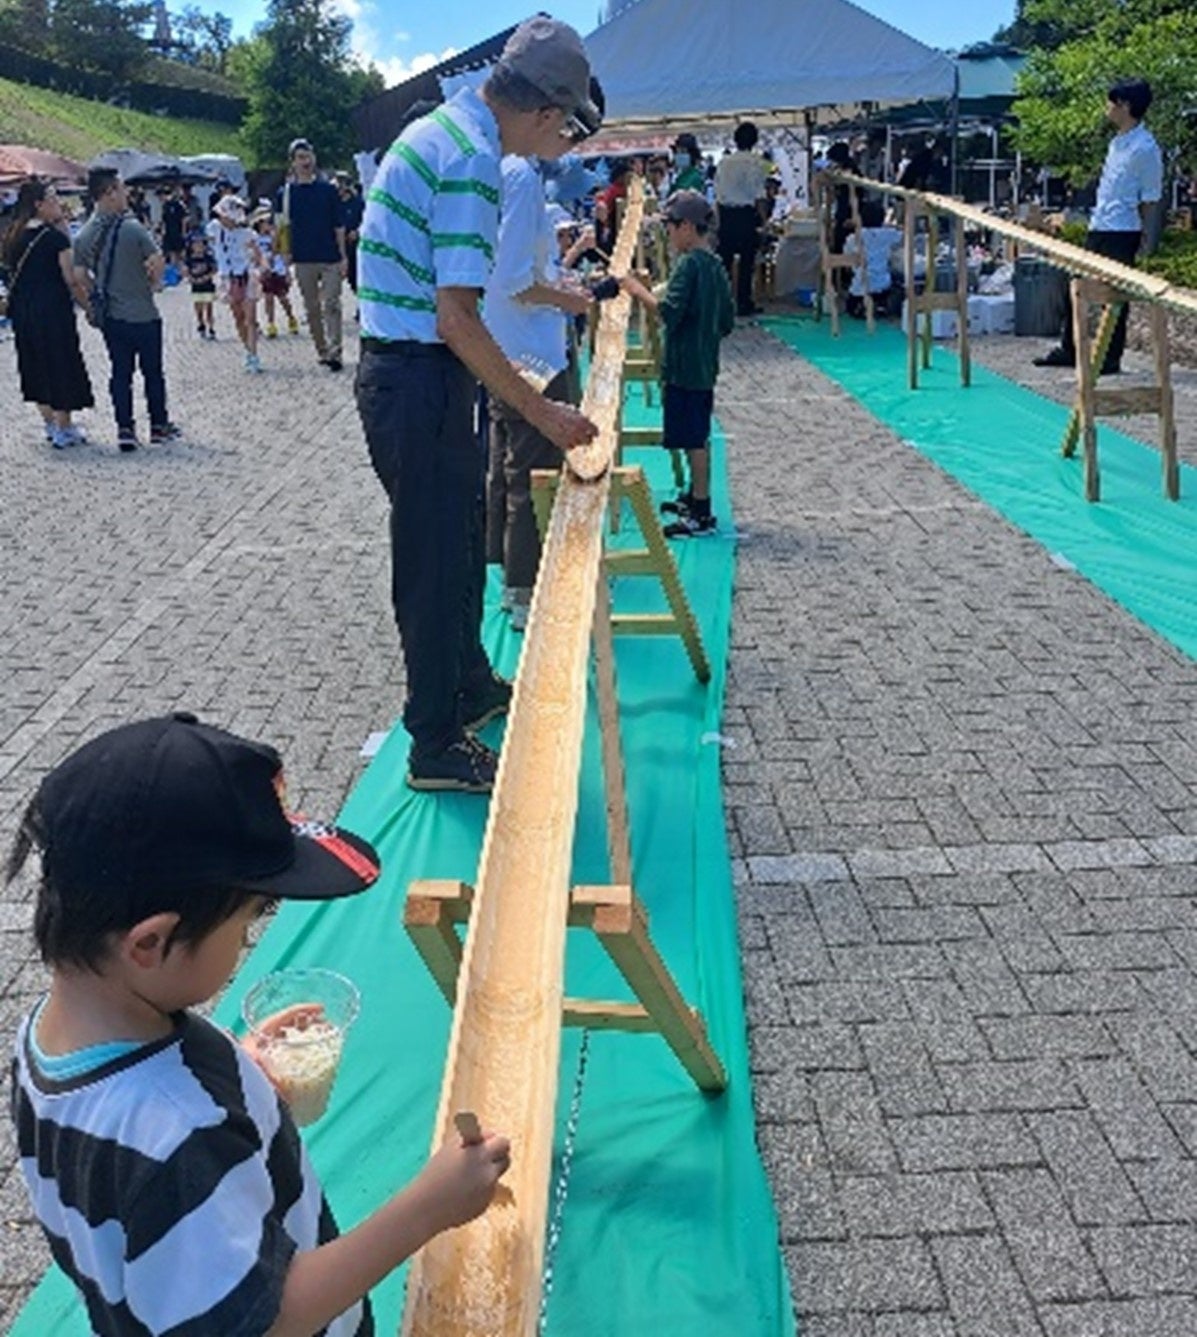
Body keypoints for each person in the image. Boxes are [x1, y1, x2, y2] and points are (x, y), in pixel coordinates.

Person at [8, 711, 511, 1337]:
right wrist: (427, 1208)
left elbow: (135, 1197)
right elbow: (268, 1320)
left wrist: (240, 1074)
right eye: (246, 924)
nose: (248, 939)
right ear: (150, 944)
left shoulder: (43, 1044)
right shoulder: (181, 1133)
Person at [355, 15, 600, 794]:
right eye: (562, 128)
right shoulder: (470, 161)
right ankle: (435, 740)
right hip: (414, 374)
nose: (555, 143)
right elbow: (459, 318)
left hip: (415, 373)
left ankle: (466, 679)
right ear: (542, 113)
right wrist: (546, 413)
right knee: (433, 562)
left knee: (459, 540)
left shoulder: (447, 131)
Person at [484, 151, 594, 630]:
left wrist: (559, 281)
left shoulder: (509, 173)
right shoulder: (522, 176)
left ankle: (509, 572)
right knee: (533, 472)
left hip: (511, 347)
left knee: (508, 463)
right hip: (530, 353)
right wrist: (568, 298)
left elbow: (519, 272)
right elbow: (514, 280)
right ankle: (524, 587)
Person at [621, 189, 734, 538]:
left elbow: (668, 312)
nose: (667, 233)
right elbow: (727, 321)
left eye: (670, 226)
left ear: (686, 226)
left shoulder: (689, 266)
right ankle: (695, 498)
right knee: (694, 434)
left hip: (685, 366)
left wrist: (635, 289)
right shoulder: (714, 264)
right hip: (704, 363)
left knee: (693, 438)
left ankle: (701, 511)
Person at [1034, 77, 1163, 376]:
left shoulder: (1146, 147)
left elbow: (1150, 198)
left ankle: (1110, 357)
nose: (1107, 109)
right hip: (1100, 223)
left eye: (1111, 103)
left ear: (1125, 106)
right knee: (1076, 286)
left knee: (1114, 297)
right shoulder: (1117, 143)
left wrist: (1143, 234)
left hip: (1123, 230)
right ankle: (1069, 348)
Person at [74, 168, 180, 453]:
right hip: (143, 313)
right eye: (121, 189)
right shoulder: (133, 228)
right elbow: (157, 260)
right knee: (152, 372)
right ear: (109, 193)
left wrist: (96, 293)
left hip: (112, 316)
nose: (126, 195)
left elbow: (79, 274)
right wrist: (153, 283)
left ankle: (125, 429)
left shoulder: (84, 234)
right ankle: (158, 425)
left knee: (120, 373)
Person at [1, 179, 93, 449]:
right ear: (38, 205)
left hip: (22, 308)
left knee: (33, 362)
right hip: (52, 309)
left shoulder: (12, 235)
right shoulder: (53, 238)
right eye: (52, 199)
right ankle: (64, 425)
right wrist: (88, 307)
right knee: (60, 362)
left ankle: (50, 423)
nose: (59, 205)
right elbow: (71, 278)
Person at [278, 138, 347, 371]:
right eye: (300, 158)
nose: (305, 162)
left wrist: (343, 255)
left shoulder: (328, 190)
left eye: (307, 156)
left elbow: (339, 225)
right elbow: (282, 226)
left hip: (329, 255)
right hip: (303, 257)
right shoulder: (286, 193)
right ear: (293, 163)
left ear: (314, 159)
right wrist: (284, 254)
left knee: (332, 303)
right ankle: (322, 349)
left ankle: (336, 350)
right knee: (312, 308)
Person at [715, 120, 770, 316]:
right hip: (746, 216)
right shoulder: (756, 163)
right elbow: (759, 196)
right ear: (755, 141)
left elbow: (718, 193)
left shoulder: (724, 162)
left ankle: (722, 303)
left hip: (726, 215)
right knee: (747, 263)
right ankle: (744, 303)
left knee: (724, 263)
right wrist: (764, 221)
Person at [211, 194, 264, 373]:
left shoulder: (247, 234)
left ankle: (254, 355)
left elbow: (258, 253)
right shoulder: (215, 229)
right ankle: (248, 349)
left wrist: (262, 265)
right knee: (238, 317)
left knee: (250, 318)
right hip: (228, 276)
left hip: (246, 274)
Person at [842, 198, 903, 319]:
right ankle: (879, 306)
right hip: (882, 286)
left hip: (859, 288)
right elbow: (904, 236)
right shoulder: (888, 234)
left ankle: (865, 308)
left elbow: (847, 262)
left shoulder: (852, 238)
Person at [253, 203, 300, 338]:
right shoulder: (255, 238)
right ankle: (271, 323)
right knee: (268, 298)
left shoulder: (277, 236)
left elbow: (283, 253)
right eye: (264, 222)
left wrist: (287, 272)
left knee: (282, 297)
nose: (267, 225)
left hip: (278, 270)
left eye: (268, 222)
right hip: (265, 271)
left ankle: (291, 317)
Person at [183, 227, 217, 339]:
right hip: (196, 286)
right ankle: (201, 323)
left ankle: (211, 327)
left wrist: (206, 277)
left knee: (209, 307)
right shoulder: (189, 259)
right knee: (198, 307)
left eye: (201, 244)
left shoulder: (208, 258)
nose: (199, 247)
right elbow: (185, 271)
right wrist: (191, 278)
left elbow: (214, 270)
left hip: (207, 285)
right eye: (196, 244)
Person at [335, 170, 365, 293]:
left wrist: (357, 231)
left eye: (342, 184)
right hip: (336, 246)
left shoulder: (358, 202)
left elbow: (367, 221)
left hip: (353, 245)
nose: (339, 188)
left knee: (355, 279)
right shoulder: (333, 203)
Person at [160, 186, 186, 266]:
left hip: (177, 232)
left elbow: (183, 220)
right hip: (169, 233)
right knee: (171, 254)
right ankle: (173, 271)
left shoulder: (178, 204)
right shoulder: (165, 206)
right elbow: (164, 220)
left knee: (179, 254)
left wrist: (183, 233)